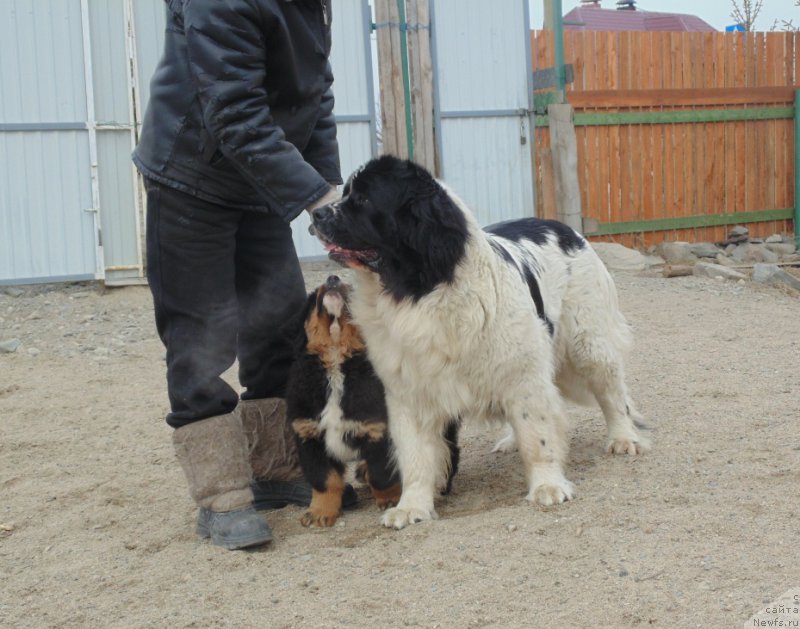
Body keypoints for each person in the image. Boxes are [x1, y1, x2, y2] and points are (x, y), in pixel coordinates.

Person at [133, 0, 342, 550]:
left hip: (258, 181)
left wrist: (332, 197)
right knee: (199, 334)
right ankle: (221, 496)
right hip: (191, 175)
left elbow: (315, 98)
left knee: (277, 323)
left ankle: (275, 470)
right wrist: (315, 195)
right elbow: (232, 110)